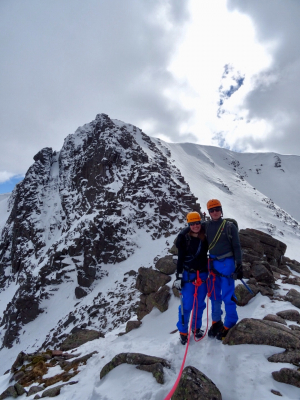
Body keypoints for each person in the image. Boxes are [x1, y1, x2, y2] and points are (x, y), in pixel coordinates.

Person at [202, 199, 243, 340]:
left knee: (228, 295)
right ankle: (216, 321)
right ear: (208, 212)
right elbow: (191, 228)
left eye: (217, 209)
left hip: (228, 264)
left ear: (221, 210)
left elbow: (237, 246)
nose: (215, 212)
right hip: (213, 263)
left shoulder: (230, 227)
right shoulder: (206, 226)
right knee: (213, 294)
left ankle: (230, 324)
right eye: (211, 210)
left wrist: (239, 264)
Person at [174, 211, 208, 345]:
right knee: (187, 305)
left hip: (203, 275)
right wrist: (179, 276)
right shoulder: (184, 239)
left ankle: (196, 328)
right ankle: (183, 332)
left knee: (200, 304)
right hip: (189, 276)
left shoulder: (205, 236)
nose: (195, 226)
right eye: (192, 224)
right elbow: (181, 259)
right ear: (188, 225)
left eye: (197, 223)